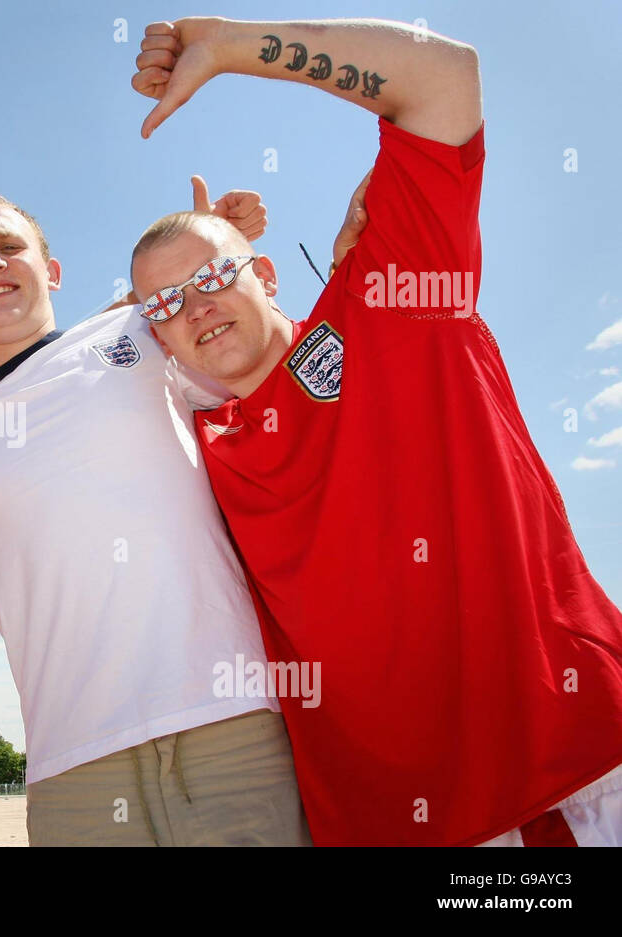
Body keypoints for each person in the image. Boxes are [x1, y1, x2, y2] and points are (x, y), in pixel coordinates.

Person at [127, 15, 622, 845]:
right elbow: (80, 363)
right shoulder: (191, 440)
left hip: (573, 766)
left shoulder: (390, 300)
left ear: (269, 273)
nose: (197, 304)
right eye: (166, 303)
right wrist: (204, 254)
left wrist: (228, 48)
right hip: (390, 822)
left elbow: (446, 79)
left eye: (214, 277)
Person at [0, 181, 318, 844]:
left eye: (9, 246)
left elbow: (258, 349)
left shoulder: (147, 327)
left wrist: (221, 248)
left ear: (51, 270)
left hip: (232, 718)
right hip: (73, 762)